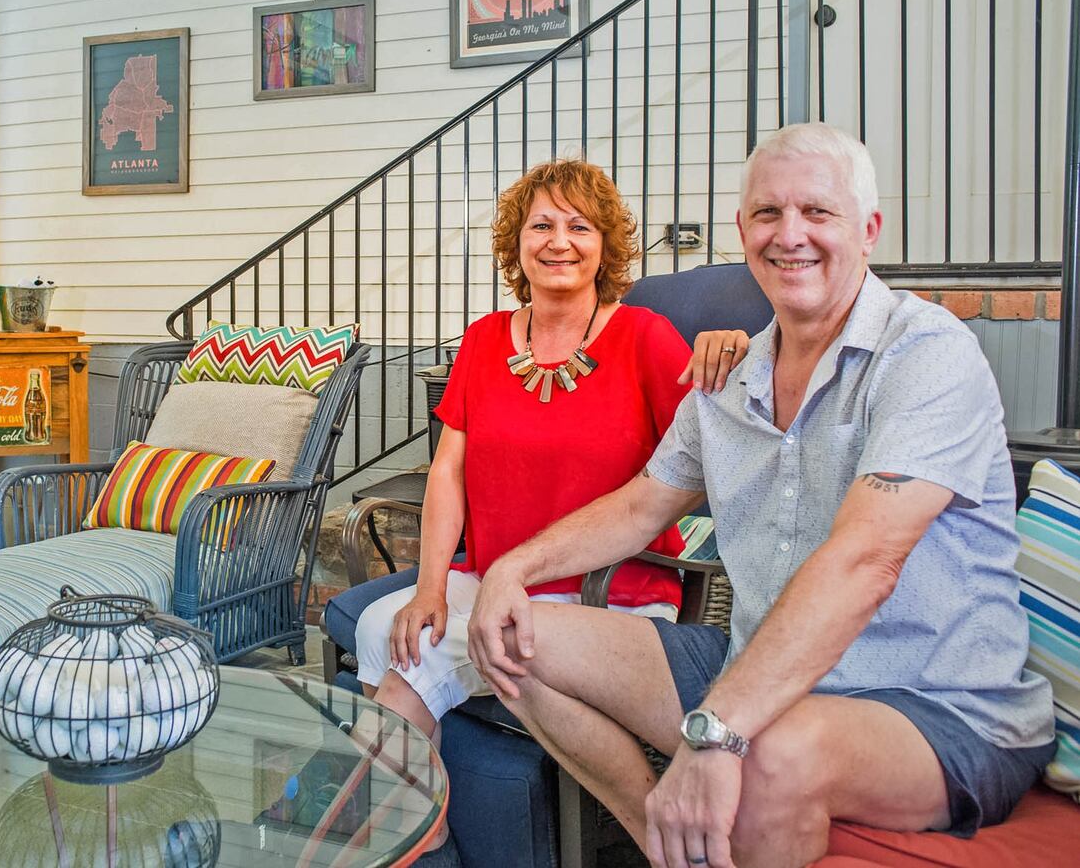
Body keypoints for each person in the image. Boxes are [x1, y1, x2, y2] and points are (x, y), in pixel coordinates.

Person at [466, 123, 1056, 868]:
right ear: (743, 230)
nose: (790, 234)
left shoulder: (924, 353)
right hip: (753, 666)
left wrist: (719, 729)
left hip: (934, 706)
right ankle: (663, 842)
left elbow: (866, 560)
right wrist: (511, 571)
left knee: (766, 753)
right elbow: (642, 504)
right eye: (769, 213)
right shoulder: (729, 378)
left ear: (869, 230)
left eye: (818, 212)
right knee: (515, 638)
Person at [350, 157, 748, 864]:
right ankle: (423, 838)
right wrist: (431, 587)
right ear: (517, 243)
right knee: (387, 627)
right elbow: (448, 471)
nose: (559, 241)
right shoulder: (483, 340)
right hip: (491, 580)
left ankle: (389, 839)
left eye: (580, 227)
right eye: (541, 226)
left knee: (423, 659)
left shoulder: (645, 337)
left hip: (611, 593)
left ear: (605, 246)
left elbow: (710, 455)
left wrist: (736, 355)